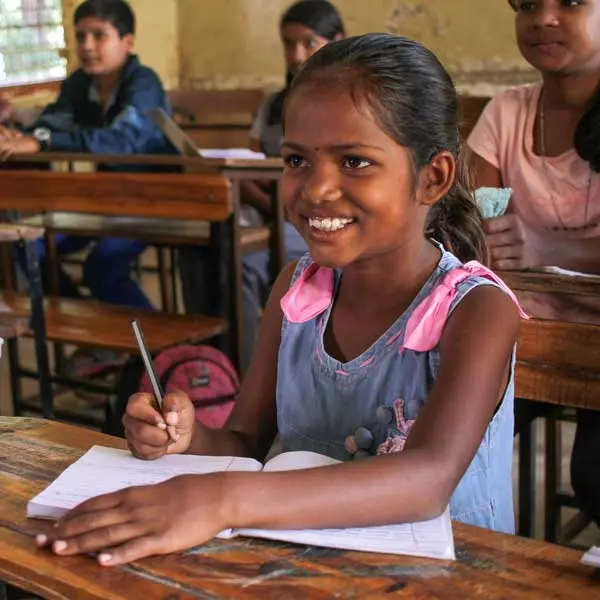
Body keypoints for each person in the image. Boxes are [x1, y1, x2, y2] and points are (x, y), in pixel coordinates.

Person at [36, 34, 524, 566]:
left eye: (355, 161)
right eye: (296, 160)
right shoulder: (298, 292)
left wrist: (222, 500)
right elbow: (246, 442)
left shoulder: (475, 309)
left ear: (433, 177)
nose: (315, 190)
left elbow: (427, 479)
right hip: (298, 567)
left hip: (446, 577)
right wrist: (188, 437)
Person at [468, 0, 600, 531]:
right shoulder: (508, 111)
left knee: (594, 474)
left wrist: (545, 252)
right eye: (527, 4)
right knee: (449, 436)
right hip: (524, 330)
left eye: (569, 2)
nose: (543, 18)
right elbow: (471, 218)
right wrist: (483, 238)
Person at [178, 0, 345, 370]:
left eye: (308, 42)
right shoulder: (273, 105)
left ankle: (245, 375)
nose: (296, 54)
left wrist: (280, 202)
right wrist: (264, 197)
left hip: (311, 220)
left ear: (336, 41)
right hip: (264, 209)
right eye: (288, 43)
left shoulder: (347, 107)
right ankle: (206, 362)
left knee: (243, 260)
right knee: (196, 248)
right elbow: (251, 165)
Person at [0, 0, 174, 313]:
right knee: (26, 247)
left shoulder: (145, 83)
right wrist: (14, 134)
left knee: (103, 266)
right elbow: (50, 124)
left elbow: (123, 142)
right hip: (105, 198)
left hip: (157, 200)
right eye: (80, 37)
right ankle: (84, 320)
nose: (87, 46)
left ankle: (158, 356)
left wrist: (42, 140)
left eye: (98, 35)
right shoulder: (79, 84)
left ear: (127, 42)